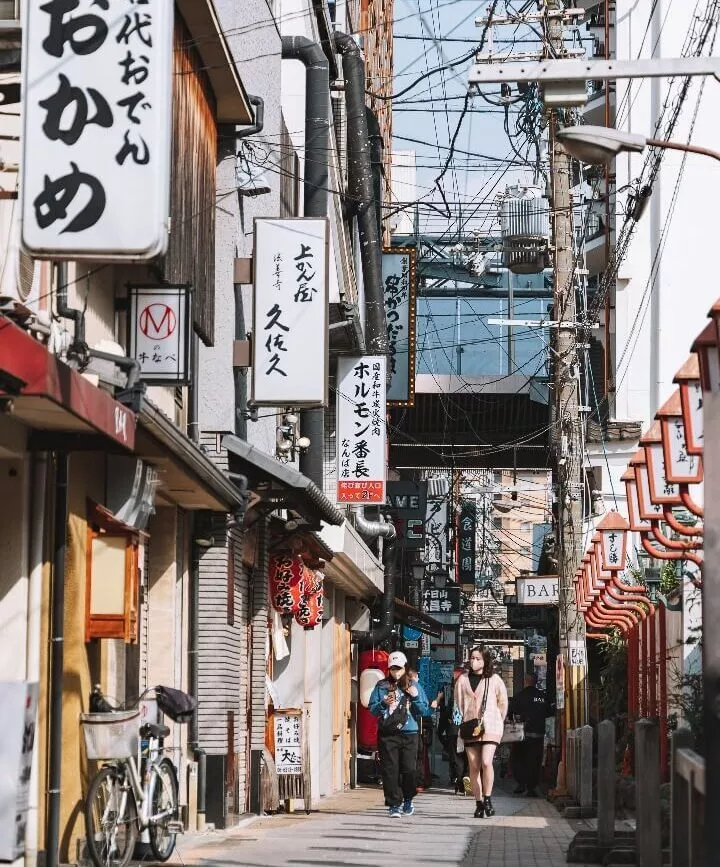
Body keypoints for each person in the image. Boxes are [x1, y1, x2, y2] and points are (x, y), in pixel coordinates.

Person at [369, 650, 431, 818]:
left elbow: (424, 710)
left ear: (405, 667)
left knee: (409, 770)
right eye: (392, 669)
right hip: (388, 734)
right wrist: (382, 703)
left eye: (399, 668)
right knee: (390, 770)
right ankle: (394, 805)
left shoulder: (413, 685)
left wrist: (416, 697)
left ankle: (408, 799)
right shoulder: (382, 686)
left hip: (410, 733)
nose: (396, 672)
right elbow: (372, 708)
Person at [454, 647, 508, 818]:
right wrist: (467, 717)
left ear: (485, 661)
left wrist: (498, 718)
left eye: (478, 658)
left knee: (486, 762)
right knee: (474, 766)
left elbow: (503, 702)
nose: (474, 661)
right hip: (470, 727)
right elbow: (459, 702)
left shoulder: (494, 679)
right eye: (472, 658)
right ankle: (478, 803)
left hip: (491, 726)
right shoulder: (462, 680)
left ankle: (488, 798)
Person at [509, 674, 553, 797]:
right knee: (535, 761)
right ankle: (531, 787)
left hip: (522, 735)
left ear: (525, 681)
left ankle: (521, 784)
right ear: (536, 682)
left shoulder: (519, 696)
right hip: (538, 734)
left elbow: (511, 712)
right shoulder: (542, 697)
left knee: (520, 759)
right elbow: (550, 711)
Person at [436, 666, 469, 793]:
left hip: (454, 730)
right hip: (468, 730)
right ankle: (465, 777)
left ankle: (458, 780)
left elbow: (447, 714)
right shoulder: (472, 694)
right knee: (467, 756)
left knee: (456, 757)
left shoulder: (453, 695)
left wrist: (441, 732)